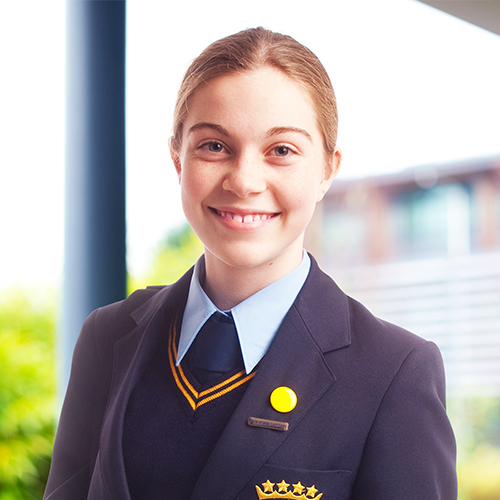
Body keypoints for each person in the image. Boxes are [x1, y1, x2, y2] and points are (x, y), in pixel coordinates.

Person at [44, 27, 457, 500]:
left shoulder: (393, 372)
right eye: (214, 146)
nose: (244, 181)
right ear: (178, 158)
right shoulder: (108, 335)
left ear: (327, 169)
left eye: (281, 151)